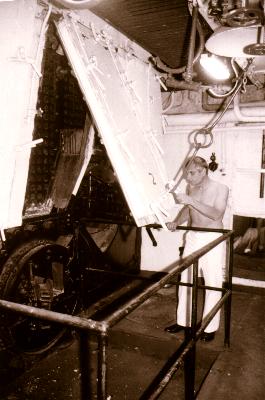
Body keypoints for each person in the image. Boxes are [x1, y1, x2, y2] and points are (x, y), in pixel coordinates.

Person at [165, 156, 229, 342]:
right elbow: (188, 209)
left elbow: (217, 214)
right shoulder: (191, 188)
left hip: (212, 238)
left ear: (204, 170)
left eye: (192, 173)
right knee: (185, 279)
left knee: (212, 282)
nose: (188, 178)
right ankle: (183, 321)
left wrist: (190, 201)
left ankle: (209, 327)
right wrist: (176, 222)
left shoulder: (220, 189)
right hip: (193, 236)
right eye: (187, 174)